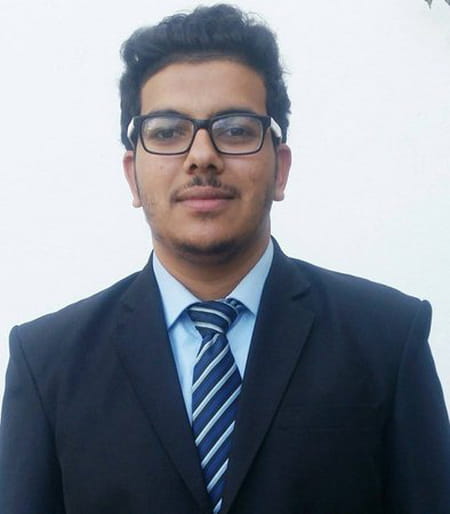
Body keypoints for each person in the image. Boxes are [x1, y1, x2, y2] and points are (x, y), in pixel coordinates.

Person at [0, 4, 449, 513]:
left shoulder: (386, 338)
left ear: (280, 169)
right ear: (133, 176)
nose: (202, 156)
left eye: (235, 129)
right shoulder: (48, 362)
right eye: (167, 132)